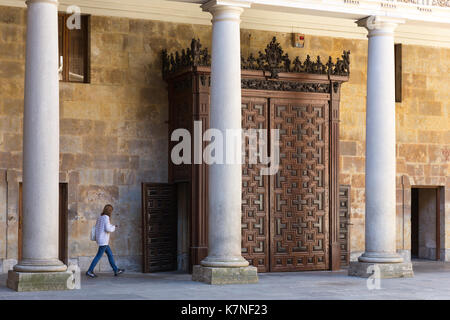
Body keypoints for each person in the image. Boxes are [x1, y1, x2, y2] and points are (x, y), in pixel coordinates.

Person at [86, 204, 125, 278]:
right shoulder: (106, 217)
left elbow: (99, 228)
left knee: (110, 254)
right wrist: (114, 227)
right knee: (98, 256)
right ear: (110, 211)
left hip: (100, 239)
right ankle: (89, 271)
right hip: (103, 240)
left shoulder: (100, 217)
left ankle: (116, 270)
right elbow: (107, 228)